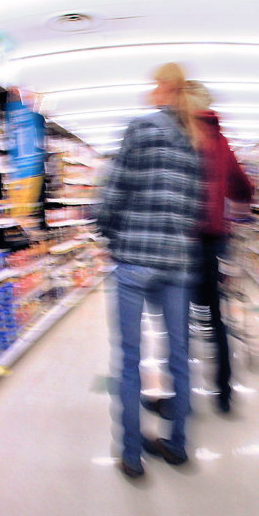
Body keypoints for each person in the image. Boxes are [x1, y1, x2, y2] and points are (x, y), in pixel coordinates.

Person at [98, 62, 202, 479]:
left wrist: (108, 232)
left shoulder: (139, 128)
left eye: (155, 83)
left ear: (165, 87)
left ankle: (131, 455)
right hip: (177, 262)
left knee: (129, 357)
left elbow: (114, 189)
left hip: (135, 259)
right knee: (179, 354)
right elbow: (194, 208)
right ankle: (177, 445)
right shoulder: (193, 140)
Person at [184, 80, 254, 413]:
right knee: (215, 319)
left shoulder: (179, 136)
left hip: (181, 242)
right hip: (213, 242)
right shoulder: (221, 140)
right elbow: (244, 186)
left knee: (177, 318)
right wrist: (240, 210)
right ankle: (224, 393)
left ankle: (181, 396)